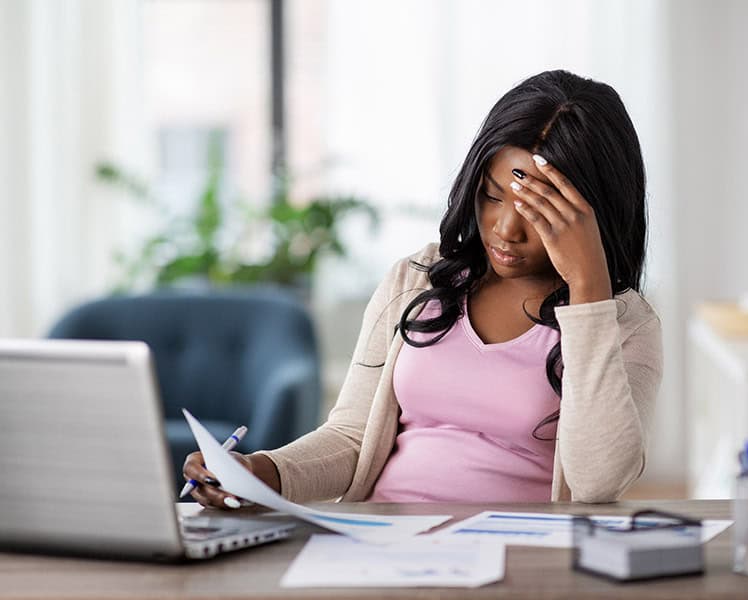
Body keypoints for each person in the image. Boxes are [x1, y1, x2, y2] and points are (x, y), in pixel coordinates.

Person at [184, 69, 662, 507]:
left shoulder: (623, 323)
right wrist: (257, 472)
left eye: (539, 213)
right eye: (492, 196)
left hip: (519, 559)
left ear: (592, 214)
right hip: (378, 543)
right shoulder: (416, 278)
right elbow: (353, 435)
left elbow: (598, 482)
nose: (505, 229)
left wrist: (588, 288)